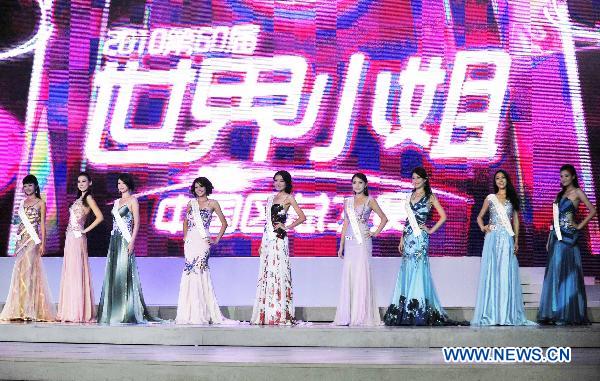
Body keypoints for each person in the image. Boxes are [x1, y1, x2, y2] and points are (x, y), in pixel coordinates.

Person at [384, 167, 464, 326]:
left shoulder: (430, 197)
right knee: (406, 271)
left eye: (418, 178)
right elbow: (408, 220)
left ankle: (418, 311)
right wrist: (401, 238)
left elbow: (444, 216)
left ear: (425, 179)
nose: (415, 181)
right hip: (408, 237)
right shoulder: (409, 196)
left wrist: (430, 229)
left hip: (420, 238)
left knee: (419, 271)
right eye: (413, 178)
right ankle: (406, 309)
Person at [471, 170, 534, 326]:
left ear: (507, 180)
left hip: (506, 239)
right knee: (493, 274)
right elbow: (479, 216)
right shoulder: (490, 198)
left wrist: (516, 240)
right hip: (492, 240)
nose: (500, 180)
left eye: (503, 178)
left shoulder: (512, 199)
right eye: (497, 178)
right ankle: (492, 314)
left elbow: (516, 222)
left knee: (506, 274)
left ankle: (506, 314)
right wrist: (483, 227)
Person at [97, 173, 159, 324]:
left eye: (123, 183)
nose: (121, 186)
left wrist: (132, 241)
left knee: (123, 273)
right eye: (118, 183)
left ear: (128, 184)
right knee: (113, 273)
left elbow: (136, 223)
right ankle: (112, 311)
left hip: (125, 240)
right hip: (114, 240)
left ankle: (125, 311)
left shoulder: (133, 200)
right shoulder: (117, 201)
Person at [538, 164, 596, 325]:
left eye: (566, 176)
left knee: (568, 273)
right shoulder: (559, 195)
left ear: (573, 177)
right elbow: (554, 220)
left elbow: (592, 210)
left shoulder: (578, 192)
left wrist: (579, 225)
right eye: (561, 176)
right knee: (555, 272)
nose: (563, 179)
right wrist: (550, 239)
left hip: (569, 238)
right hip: (557, 237)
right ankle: (555, 311)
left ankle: (568, 312)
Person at [176, 177, 235, 324]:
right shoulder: (191, 203)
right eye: (196, 187)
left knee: (200, 272)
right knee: (189, 274)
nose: (199, 189)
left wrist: (216, 239)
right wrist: (185, 238)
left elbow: (224, 223)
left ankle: (202, 313)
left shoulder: (213, 203)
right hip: (190, 241)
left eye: (201, 186)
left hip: (203, 242)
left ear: (206, 187)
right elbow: (185, 221)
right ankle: (189, 313)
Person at [251, 171, 306, 325]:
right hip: (268, 240)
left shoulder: (289, 198)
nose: (278, 183)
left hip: (279, 239)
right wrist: (262, 243)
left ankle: (280, 313)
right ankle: (268, 313)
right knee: (268, 273)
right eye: (276, 181)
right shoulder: (270, 199)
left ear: (287, 182)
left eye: (281, 181)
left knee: (279, 273)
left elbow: (302, 217)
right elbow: (266, 223)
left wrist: (287, 226)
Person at [334, 173, 388, 326]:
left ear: (365, 184)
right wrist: (341, 244)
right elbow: (345, 223)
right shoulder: (348, 202)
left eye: (359, 182)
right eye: (354, 183)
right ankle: (349, 315)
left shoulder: (370, 201)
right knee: (349, 275)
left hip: (363, 241)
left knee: (361, 274)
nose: (356, 185)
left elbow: (384, 218)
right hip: (350, 241)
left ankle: (362, 315)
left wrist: (374, 233)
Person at [0, 175, 55, 321]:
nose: (27, 188)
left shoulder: (40, 203)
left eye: (30, 185)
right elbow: (19, 224)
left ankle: (30, 309)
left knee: (30, 272)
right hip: (22, 241)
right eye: (25, 186)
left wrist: (43, 243)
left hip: (33, 241)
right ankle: (20, 308)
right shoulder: (22, 203)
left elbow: (42, 224)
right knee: (20, 272)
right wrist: (16, 241)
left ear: (35, 186)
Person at [57, 172, 104, 322]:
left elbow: (100, 217)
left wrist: (85, 230)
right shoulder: (79, 199)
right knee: (70, 271)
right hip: (70, 238)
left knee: (77, 271)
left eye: (84, 181)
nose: (81, 184)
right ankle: (70, 310)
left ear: (90, 183)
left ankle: (77, 312)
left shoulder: (88, 198)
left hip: (78, 238)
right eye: (79, 181)